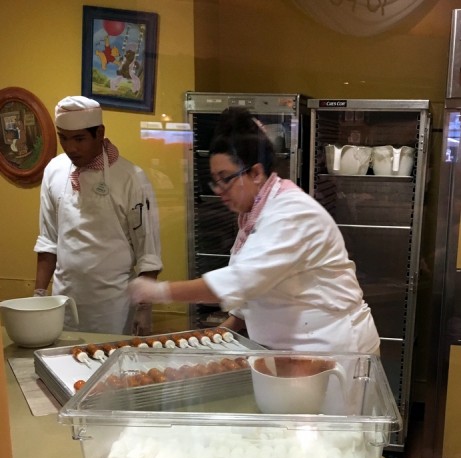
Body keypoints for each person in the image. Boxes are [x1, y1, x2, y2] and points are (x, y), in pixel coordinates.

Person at [129, 107, 379, 354]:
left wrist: (159, 291)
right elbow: (257, 287)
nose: (219, 190)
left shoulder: (291, 213)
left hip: (334, 348)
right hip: (292, 348)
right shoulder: (254, 214)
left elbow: (242, 280)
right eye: (214, 180)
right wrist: (219, 335)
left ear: (256, 173)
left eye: (225, 178)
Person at [34, 95, 162, 335]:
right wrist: (39, 296)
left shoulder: (131, 178)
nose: (71, 148)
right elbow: (48, 241)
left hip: (113, 308)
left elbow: (149, 253)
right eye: (64, 138)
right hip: (63, 303)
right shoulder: (54, 171)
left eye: (80, 139)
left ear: (100, 132)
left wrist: (144, 309)